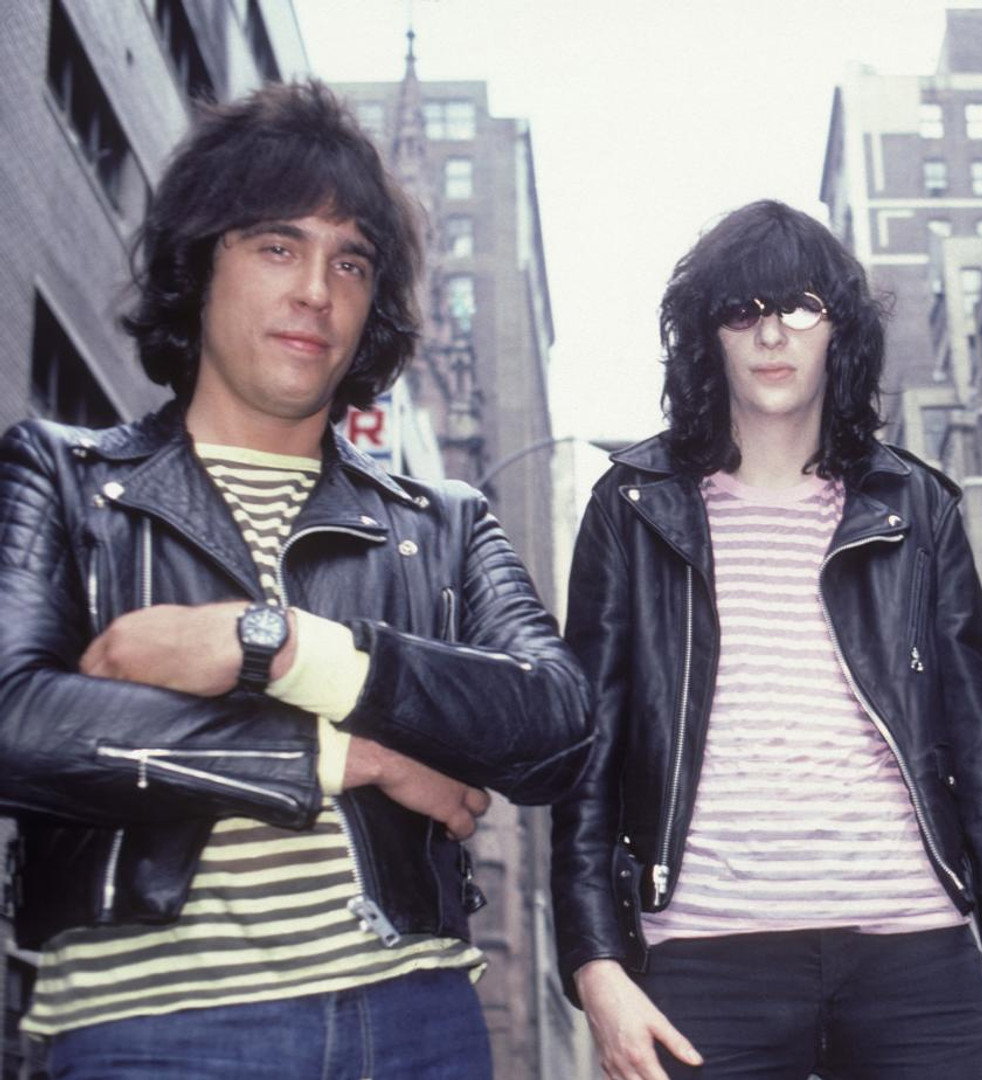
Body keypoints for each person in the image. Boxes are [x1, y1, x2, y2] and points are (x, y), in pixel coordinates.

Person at [0, 81, 592, 1077]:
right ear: (200, 264)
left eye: (349, 261)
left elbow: (557, 727)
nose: (317, 289)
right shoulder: (66, 481)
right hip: (157, 1032)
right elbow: (17, 727)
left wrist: (274, 647)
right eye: (278, 246)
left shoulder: (441, 522)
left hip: (420, 1029)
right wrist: (344, 756)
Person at [550, 199, 982, 1080]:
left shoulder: (916, 507)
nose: (770, 334)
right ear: (707, 334)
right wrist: (595, 965)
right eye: (741, 310)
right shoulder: (633, 508)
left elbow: (981, 758)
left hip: (915, 951)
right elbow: (587, 756)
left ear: (839, 329)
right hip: (705, 959)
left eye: (799, 307)